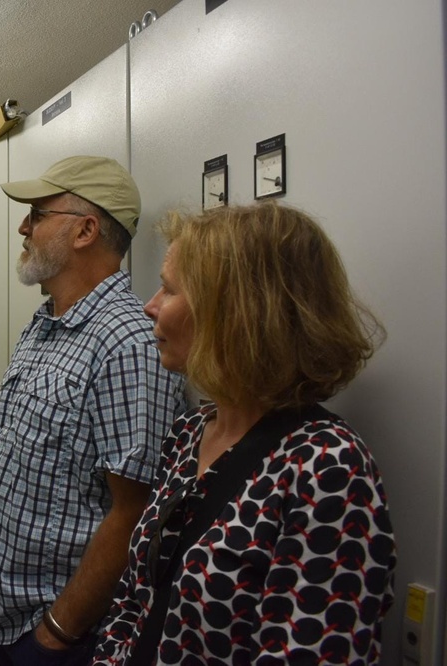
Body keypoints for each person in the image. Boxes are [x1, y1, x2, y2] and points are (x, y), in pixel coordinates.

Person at [92, 202, 396, 664]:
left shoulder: (327, 467)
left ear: (235, 313)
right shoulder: (191, 431)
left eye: (168, 290)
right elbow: (137, 600)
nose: (150, 307)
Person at [0, 155, 187, 665]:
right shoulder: (46, 326)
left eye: (38, 215)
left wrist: (59, 630)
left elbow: (133, 511)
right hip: (13, 618)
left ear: (86, 230)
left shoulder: (126, 342)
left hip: (64, 633)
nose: (24, 226)